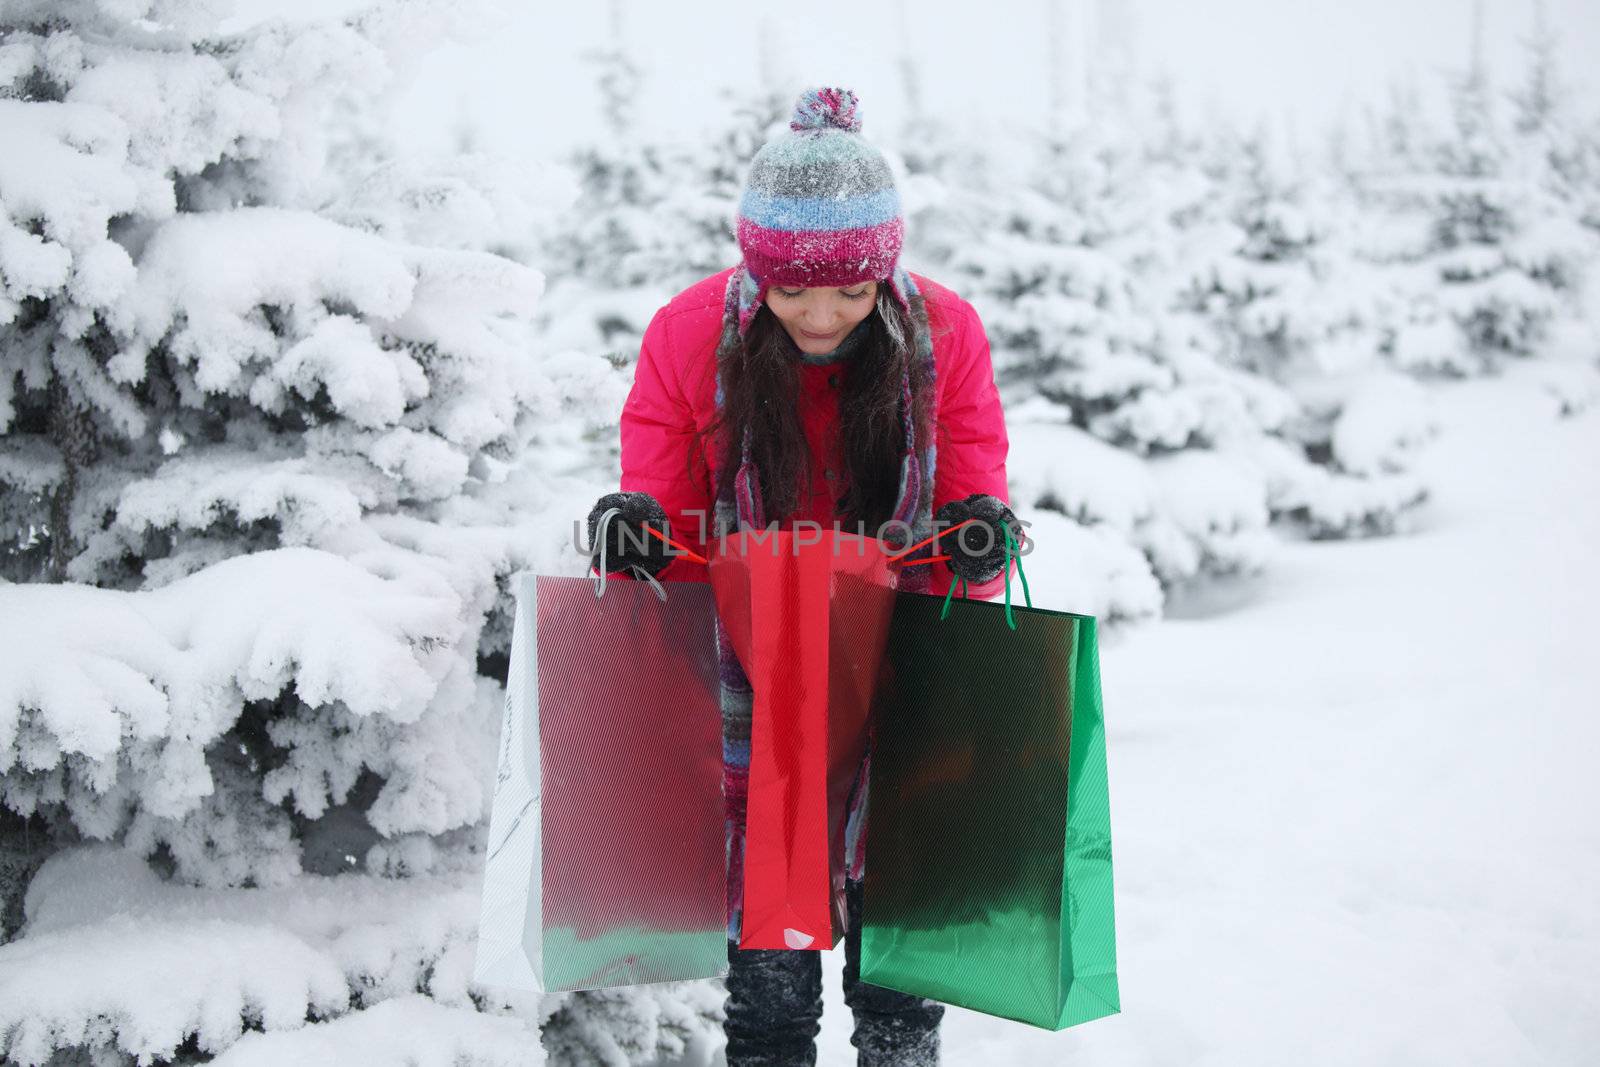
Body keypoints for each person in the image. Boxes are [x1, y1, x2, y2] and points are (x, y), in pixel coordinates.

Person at [585, 85, 1022, 1067]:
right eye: (792, 292)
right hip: (753, 668)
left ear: (885, 273)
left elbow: (970, 480)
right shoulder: (690, 333)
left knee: (897, 912)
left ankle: (898, 1047)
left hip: (902, 648)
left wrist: (979, 533)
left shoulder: (943, 334)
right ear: (757, 269)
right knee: (770, 954)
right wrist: (636, 529)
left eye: (850, 292)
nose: (820, 316)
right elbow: (658, 488)